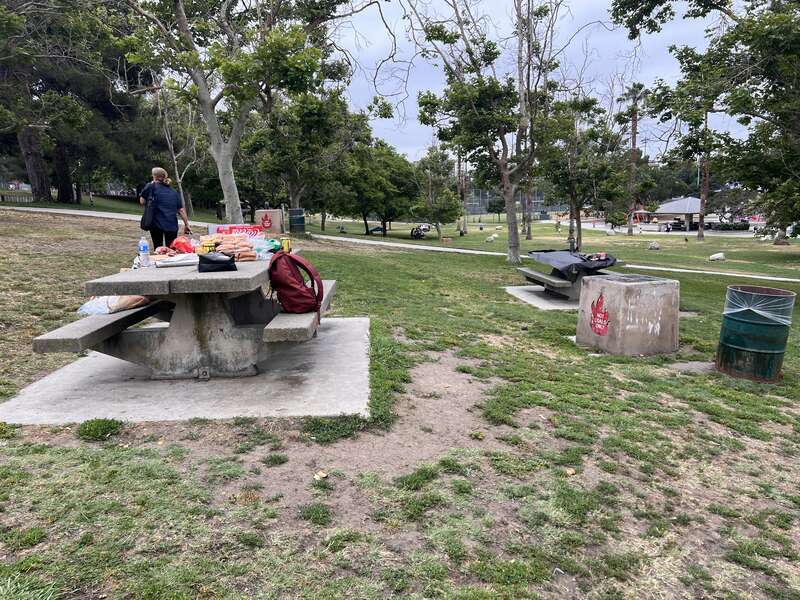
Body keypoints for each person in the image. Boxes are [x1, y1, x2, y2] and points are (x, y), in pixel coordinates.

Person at [139, 167, 192, 248]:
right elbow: (181, 210)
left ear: (154, 176)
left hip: (156, 224)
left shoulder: (150, 186)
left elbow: (142, 201)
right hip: (171, 225)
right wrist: (187, 225)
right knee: (171, 250)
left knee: (158, 248)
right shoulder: (173, 191)